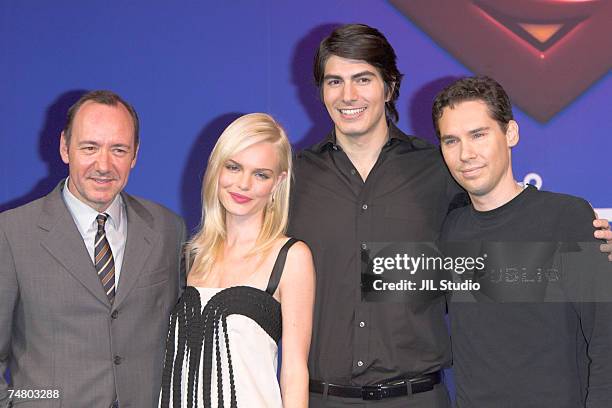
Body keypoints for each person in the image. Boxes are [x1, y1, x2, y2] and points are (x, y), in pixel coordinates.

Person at [287, 23, 612, 407]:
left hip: (418, 396)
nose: (348, 95)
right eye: (334, 82)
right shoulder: (293, 177)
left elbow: (513, 245)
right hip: (324, 397)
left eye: (363, 78)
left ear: (389, 87)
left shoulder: (440, 168)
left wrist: (594, 255)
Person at [434, 76, 612, 407]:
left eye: (478, 135)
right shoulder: (450, 230)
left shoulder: (568, 218)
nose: (466, 154)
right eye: (451, 141)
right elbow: (387, 297)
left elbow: (606, 340)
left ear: (510, 133)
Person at [0, 90, 186, 407]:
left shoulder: (168, 229)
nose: (104, 165)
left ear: (135, 155)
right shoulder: (11, 233)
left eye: (118, 149)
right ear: (64, 148)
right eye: (90, 147)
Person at [159, 113, 315, 408]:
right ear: (217, 169)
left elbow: (294, 371)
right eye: (234, 167)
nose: (243, 184)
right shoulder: (190, 256)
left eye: (261, 174)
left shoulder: (290, 257)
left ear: (277, 182)